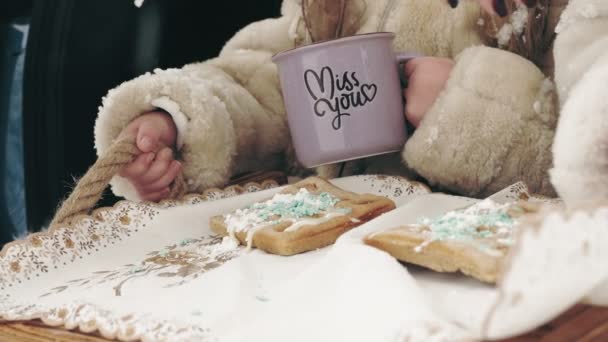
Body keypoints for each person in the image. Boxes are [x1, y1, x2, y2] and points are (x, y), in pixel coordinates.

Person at [94, 0, 591, 203]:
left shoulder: (580, 18)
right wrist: (176, 122)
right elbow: (270, 85)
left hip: (493, 286)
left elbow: (591, 160)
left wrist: (465, 106)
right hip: (324, 266)